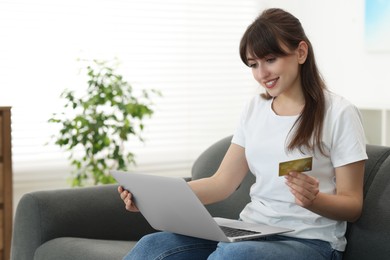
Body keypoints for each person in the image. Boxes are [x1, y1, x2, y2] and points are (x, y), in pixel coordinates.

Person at [118, 8, 367, 260]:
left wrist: (314, 200)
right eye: (253, 64)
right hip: (252, 232)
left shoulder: (339, 112)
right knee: (152, 246)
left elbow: (353, 205)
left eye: (270, 60)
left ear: (301, 52)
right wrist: (154, 200)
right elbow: (221, 183)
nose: (262, 74)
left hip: (311, 242)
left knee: (234, 255)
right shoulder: (255, 108)